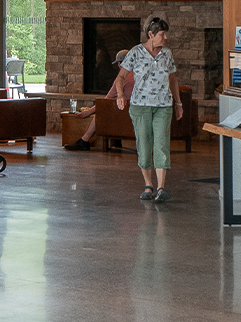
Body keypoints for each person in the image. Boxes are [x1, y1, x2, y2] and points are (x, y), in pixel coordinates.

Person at [115, 16, 182, 201]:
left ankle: (161, 188)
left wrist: (178, 103)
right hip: (140, 106)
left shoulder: (167, 54)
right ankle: (148, 186)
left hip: (163, 106)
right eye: (162, 34)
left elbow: (173, 79)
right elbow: (120, 77)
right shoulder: (136, 52)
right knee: (144, 146)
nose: (165, 38)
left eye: (166, 34)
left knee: (161, 145)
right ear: (151, 34)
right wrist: (120, 95)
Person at [63, 50, 132, 150]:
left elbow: (105, 101)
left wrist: (88, 112)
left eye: (118, 63)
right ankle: (116, 141)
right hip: (138, 115)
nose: (118, 66)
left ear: (121, 63)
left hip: (125, 117)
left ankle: (84, 140)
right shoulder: (140, 75)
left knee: (102, 111)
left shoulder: (122, 79)